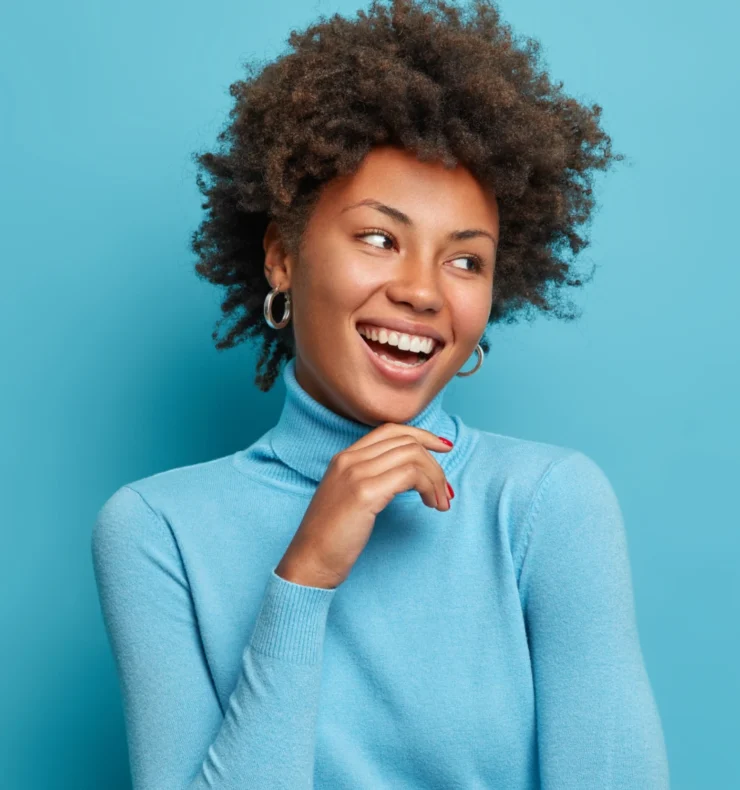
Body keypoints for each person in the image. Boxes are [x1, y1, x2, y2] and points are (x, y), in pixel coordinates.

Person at [91, 1, 670, 788]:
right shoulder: (156, 530)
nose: (423, 292)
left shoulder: (545, 505)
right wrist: (304, 577)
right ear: (281, 257)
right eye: (378, 238)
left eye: (465, 261)